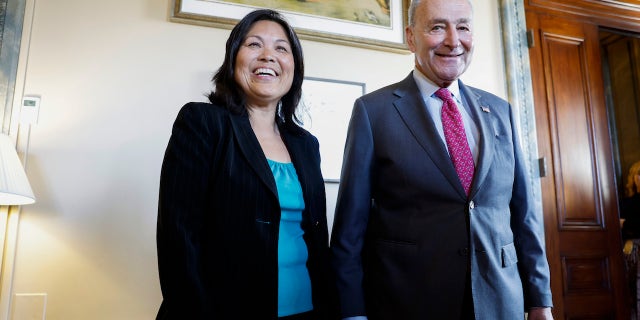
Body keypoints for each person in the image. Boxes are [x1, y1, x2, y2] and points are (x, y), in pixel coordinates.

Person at [330, 0, 554, 319]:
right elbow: (349, 231)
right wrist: (352, 312)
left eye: (462, 27)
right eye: (437, 27)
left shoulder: (500, 111)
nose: (453, 40)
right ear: (411, 37)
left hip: (501, 301)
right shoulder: (373, 112)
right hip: (410, 301)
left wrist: (540, 299)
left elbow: (524, 215)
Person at [156, 9, 334, 319]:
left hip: (307, 308)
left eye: (281, 48)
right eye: (254, 45)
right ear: (233, 59)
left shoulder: (307, 144)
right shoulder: (202, 123)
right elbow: (178, 239)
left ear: (294, 66)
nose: (268, 56)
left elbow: (317, 239)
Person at [621, 160, 640, 241]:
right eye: (639, 173)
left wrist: (625, 223)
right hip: (630, 248)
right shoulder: (625, 202)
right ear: (633, 178)